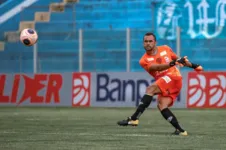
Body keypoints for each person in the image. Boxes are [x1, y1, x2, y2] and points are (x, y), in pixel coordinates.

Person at [117, 32, 203, 136]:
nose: (148, 43)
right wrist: (172, 63)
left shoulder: (165, 48)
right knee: (162, 105)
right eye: (145, 41)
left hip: (173, 77)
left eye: (150, 41)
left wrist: (194, 66)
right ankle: (181, 130)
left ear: (155, 42)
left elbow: (180, 60)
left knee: (150, 89)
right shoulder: (143, 60)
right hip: (167, 81)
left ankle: (134, 118)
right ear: (143, 43)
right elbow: (156, 67)